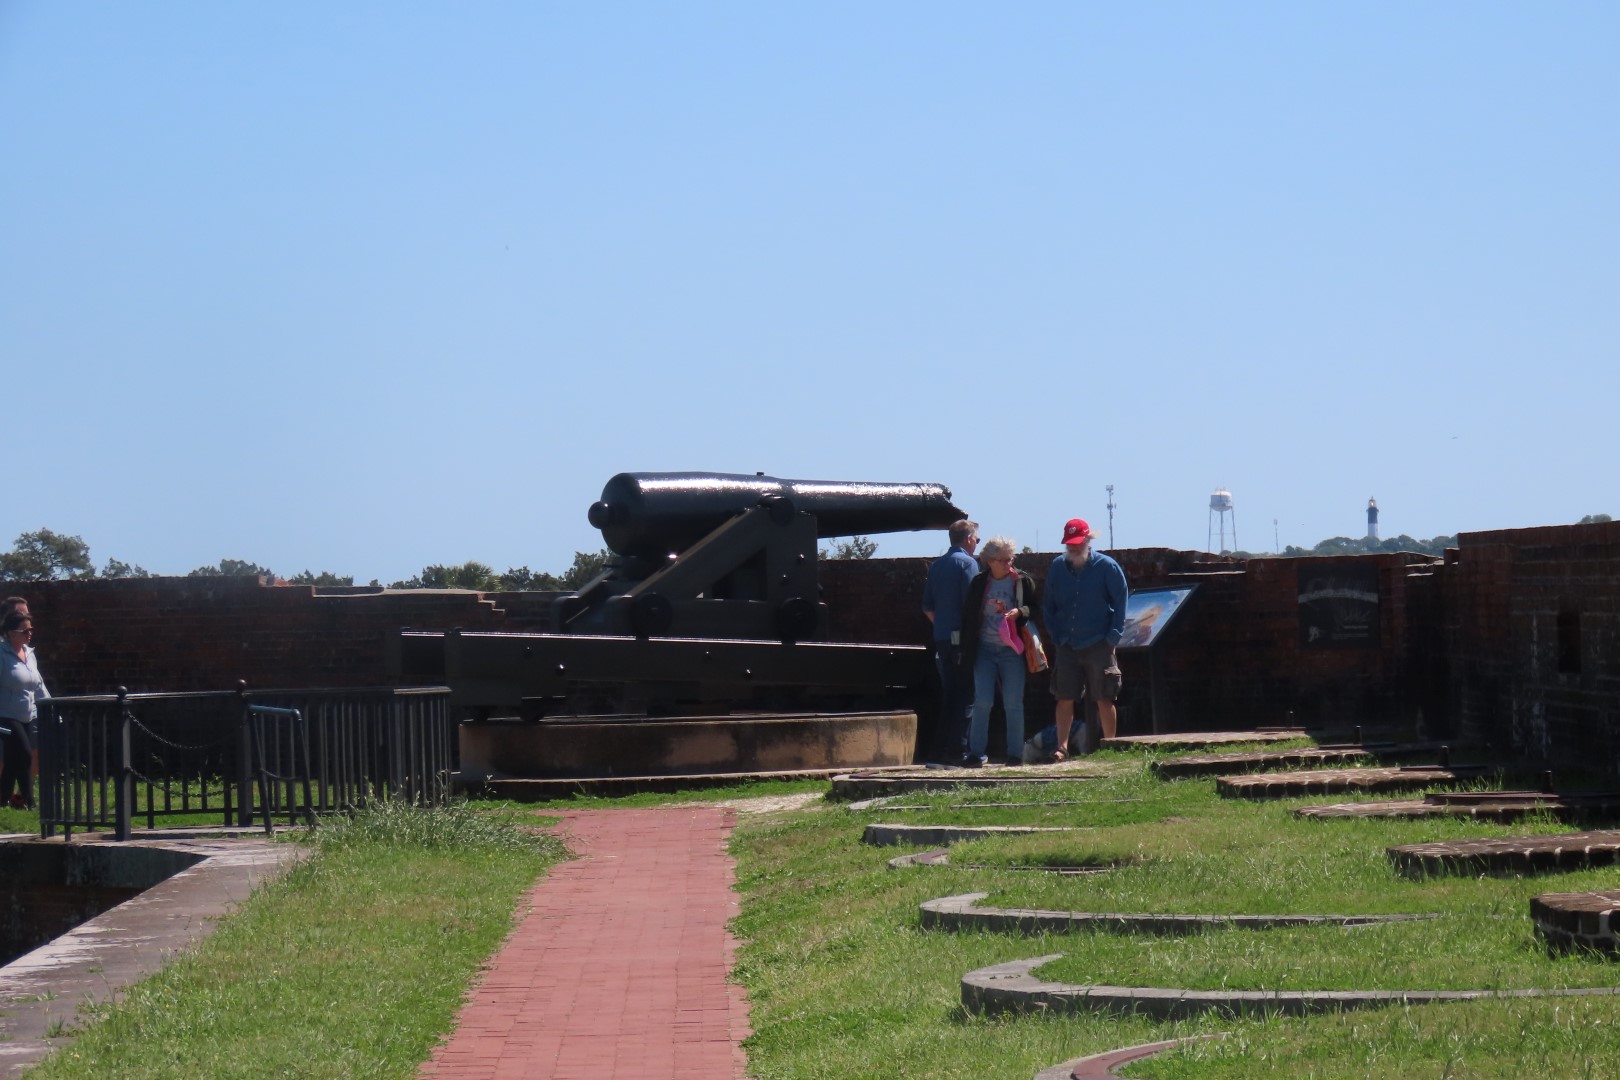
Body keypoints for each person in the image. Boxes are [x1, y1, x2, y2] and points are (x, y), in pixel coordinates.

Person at [1042, 518, 1128, 760]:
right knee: (1064, 696)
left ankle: (1110, 747)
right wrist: (1055, 635)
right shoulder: (1057, 567)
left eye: (1078, 543)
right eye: (1070, 544)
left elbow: (1121, 600)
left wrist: (1113, 636)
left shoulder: (1107, 567)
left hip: (1099, 641)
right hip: (1067, 642)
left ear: (1088, 541)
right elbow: (1048, 605)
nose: (1074, 548)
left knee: (1104, 696)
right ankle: (1062, 747)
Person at [959, 538, 1049, 767]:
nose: (1009, 563)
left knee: (1013, 702)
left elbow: (1035, 607)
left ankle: (1015, 754)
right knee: (983, 701)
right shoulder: (980, 583)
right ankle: (976, 753)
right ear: (990, 561)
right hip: (985, 649)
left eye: (1011, 558)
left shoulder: (1021, 581)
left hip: (1012, 649)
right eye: (1003, 560)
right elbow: (969, 616)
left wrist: (1020, 611)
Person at [920, 519, 978, 765]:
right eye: (976, 539)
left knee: (950, 695)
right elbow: (972, 606)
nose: (977, 543)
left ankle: (937, 751)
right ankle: (959, 751)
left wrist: (944, 628)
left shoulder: (936, 566)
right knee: (965, 695)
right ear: (967, 539)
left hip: (942, 638)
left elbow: (927, 608)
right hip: (962, 640)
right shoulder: (968, 564)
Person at [0, 609, 48, 809]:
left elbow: (38, 685)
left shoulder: (29, 654)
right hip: (5, 716)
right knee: (26, 755)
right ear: (10, 633)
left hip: (27, 715)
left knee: (12, 760)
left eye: (31, 630)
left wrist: (50, 706)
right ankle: (30, 801)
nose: (29, 634)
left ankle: (2, 800)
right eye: (24, 631)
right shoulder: (2, 655)